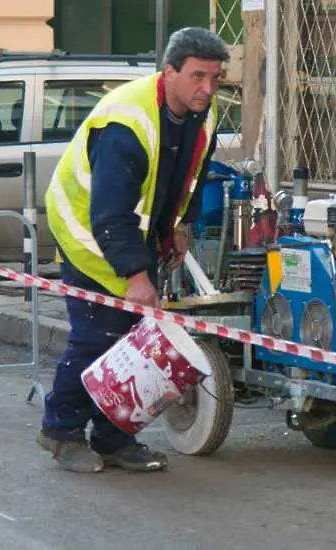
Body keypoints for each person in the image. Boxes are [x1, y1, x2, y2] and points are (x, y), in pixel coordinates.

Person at [38, 27, 229, 473]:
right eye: (198, 76)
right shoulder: (126, 123)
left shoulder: (204, 112)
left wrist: (176, 226)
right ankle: (61, 431)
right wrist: (136, 277)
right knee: (98, 339)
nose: (207, 88)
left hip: (134, 230)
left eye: (215, 78)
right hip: (88, 231)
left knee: (141, 346)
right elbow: (109, 213)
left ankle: (113, 438)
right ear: (170, 73)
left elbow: (190, 174)